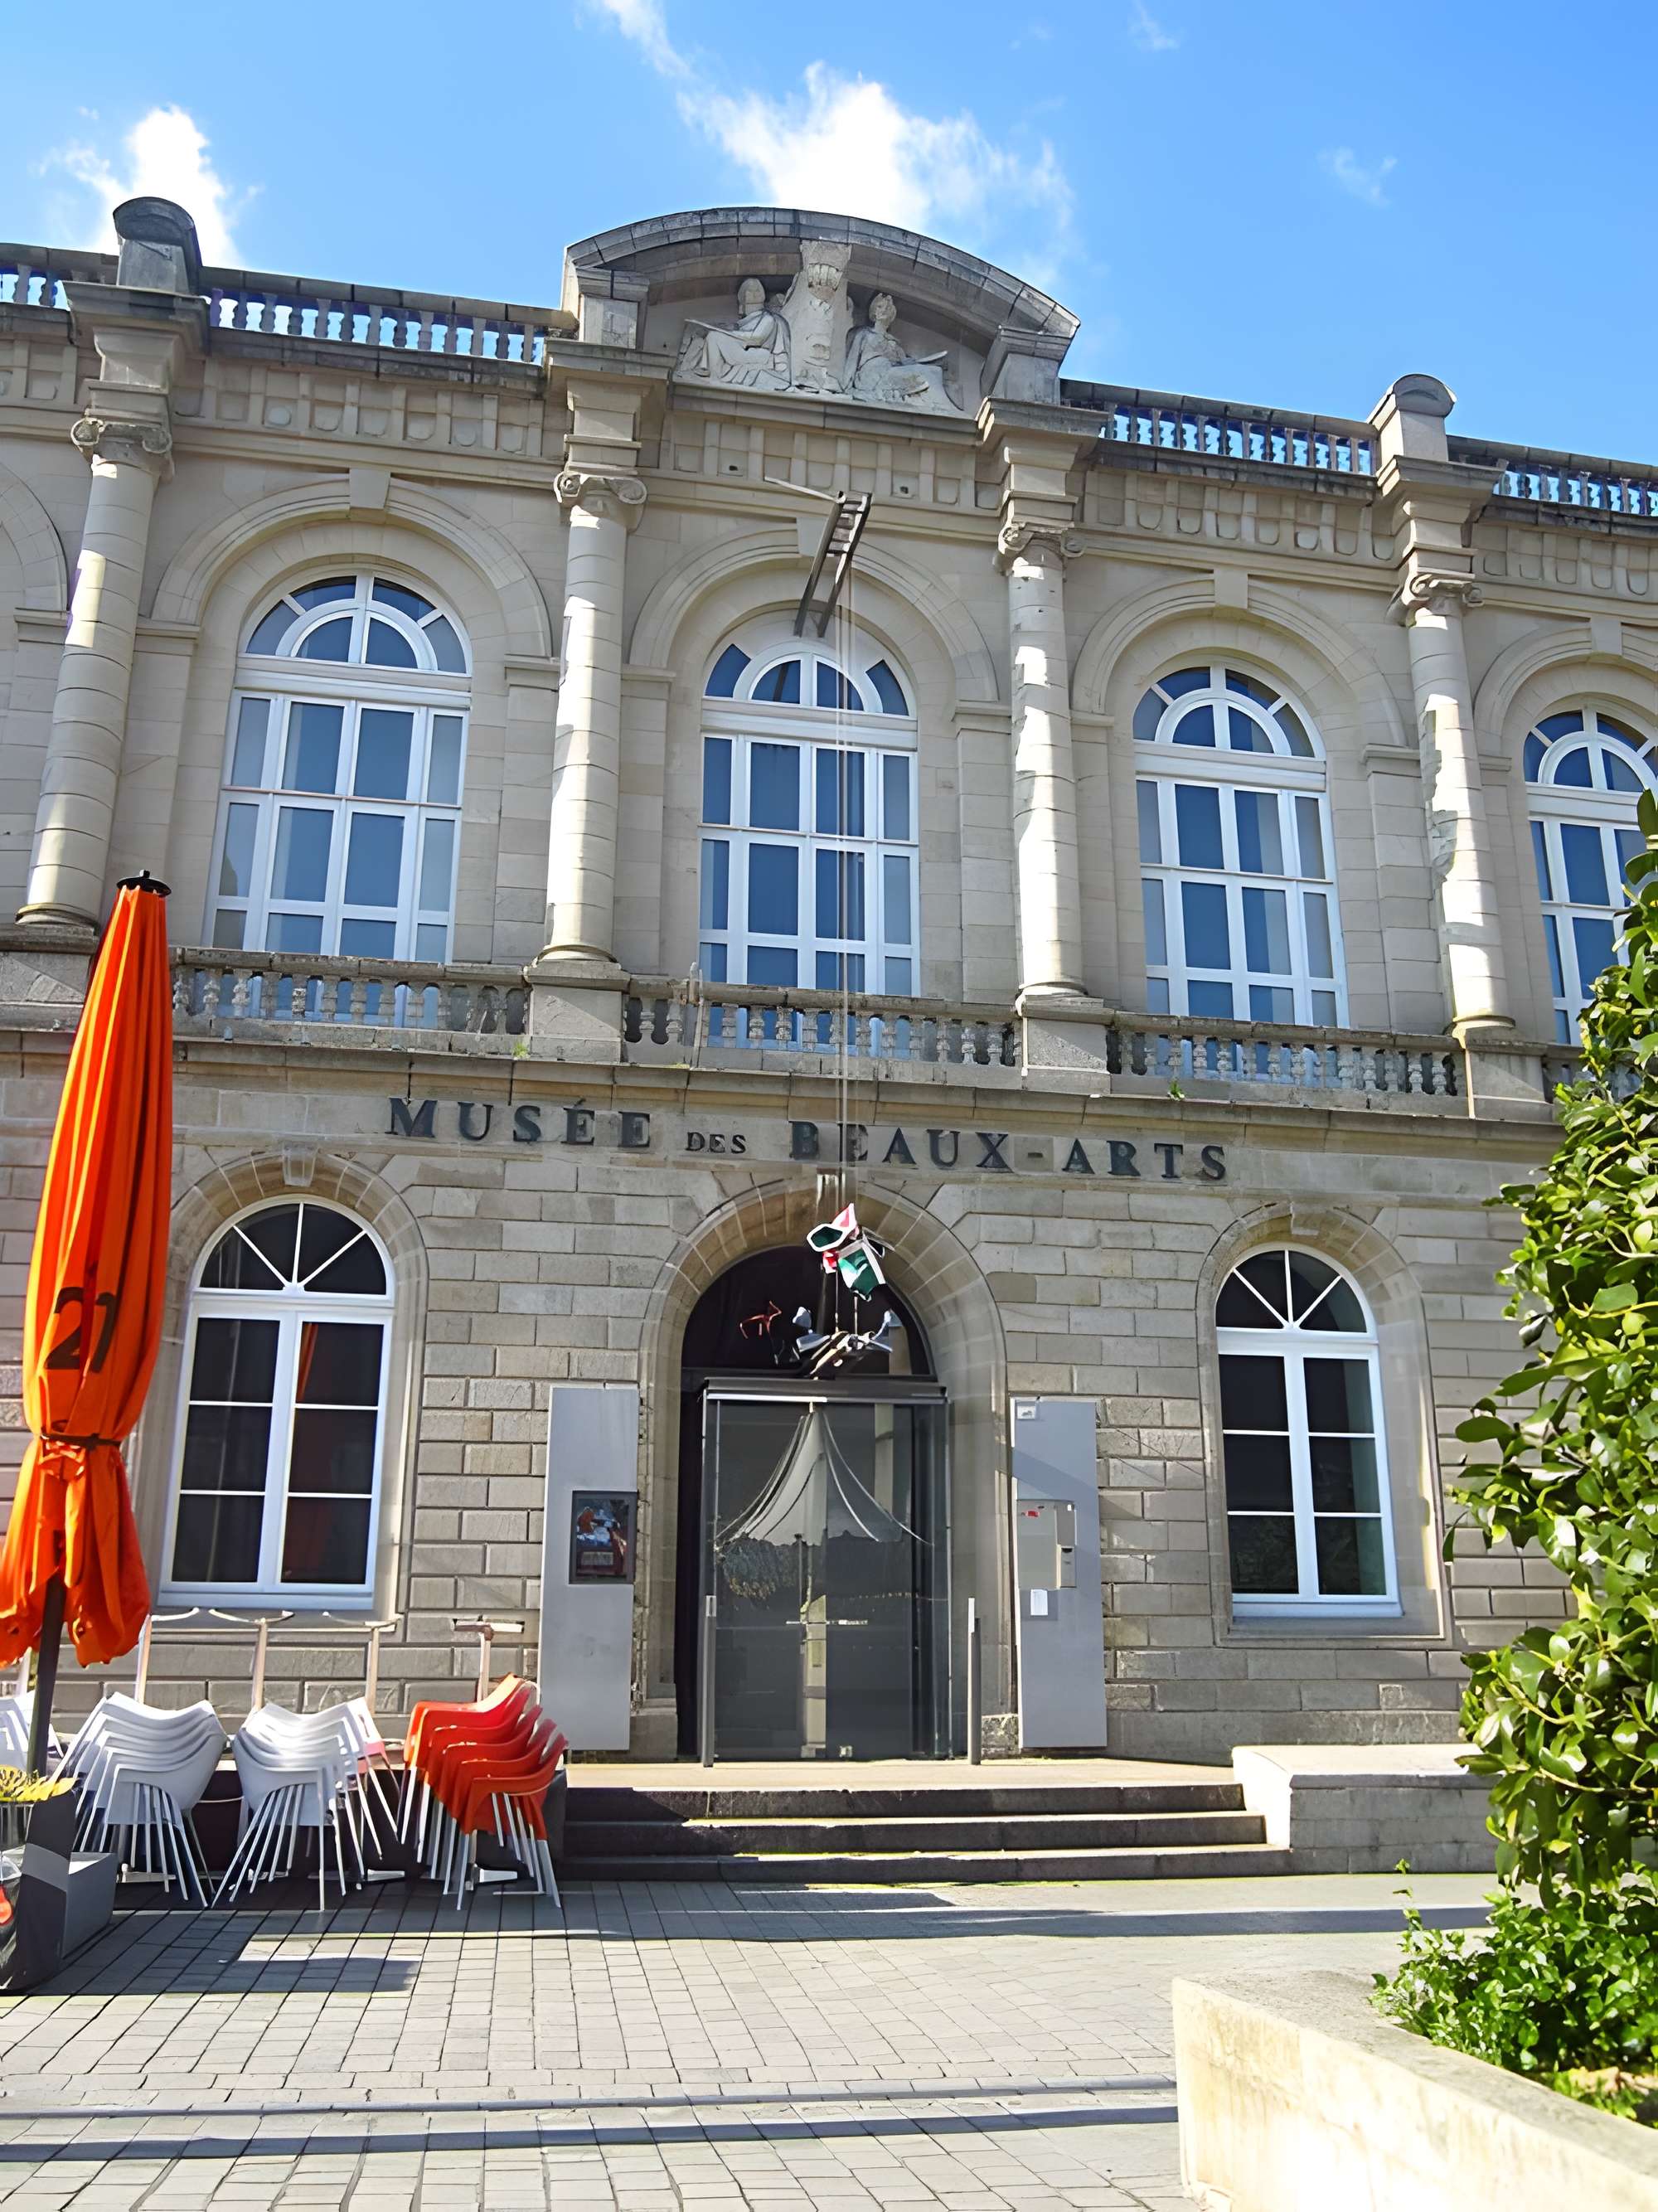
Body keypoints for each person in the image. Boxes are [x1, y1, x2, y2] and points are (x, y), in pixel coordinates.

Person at [842, 293, 957, 411]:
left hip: (890, 373)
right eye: (880, 307)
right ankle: (943, 407)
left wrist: (910, 362)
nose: (884, 311)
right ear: (874, 312)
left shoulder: (895, 344)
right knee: (924, 373)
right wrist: (846, 387)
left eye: (888, 309)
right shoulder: (864, 334)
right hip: (872, 376)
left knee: (935, 371)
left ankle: (944, 407)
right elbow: (852, 360)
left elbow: (904, 363)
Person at [677, 278, 791, 390]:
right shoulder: (743, 323)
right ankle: (713, 374)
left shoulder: (767, 319)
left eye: (756, 291)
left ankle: (714, 376)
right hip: (746, 353)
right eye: (750, 291)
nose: (753, 293)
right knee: (713, 336)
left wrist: (731, 334)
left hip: (760, 356)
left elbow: (756, 339)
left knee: (715, 337)